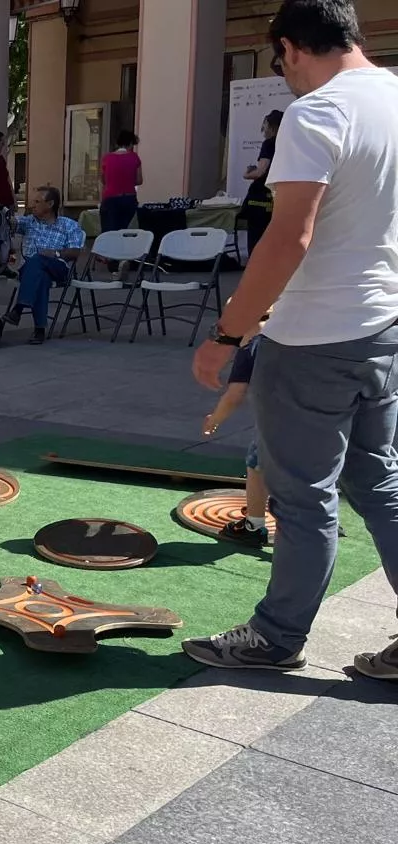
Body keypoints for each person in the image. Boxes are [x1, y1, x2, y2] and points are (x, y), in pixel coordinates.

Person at [186, 0, 398, 681]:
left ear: (291, 47)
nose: (287, 77)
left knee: (303, 497)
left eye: (281, 64)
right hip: (385, 328)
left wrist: (227, 335)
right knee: (382, 482)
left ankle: (276, 637)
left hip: (313, 338)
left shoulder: (318, 113)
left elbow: (288, 238)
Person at [202, 311, 274, 548]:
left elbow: (234, 395)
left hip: (276, 421)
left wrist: (215, 419)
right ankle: (327, 520)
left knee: (257, 465)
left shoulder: (251, 346)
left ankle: (254, 525)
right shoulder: (291, 341)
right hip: (319, 416)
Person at [0, 186, 85, 345]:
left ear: (50, 204)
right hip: (32, 270)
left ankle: (19, 309)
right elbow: (8, 221)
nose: (33, 205)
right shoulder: (29, 222)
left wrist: (56, 253)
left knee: (37, 261)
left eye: (37, 202)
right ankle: (39, 329)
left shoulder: (68, 225)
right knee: (41, 276)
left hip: (58, 266)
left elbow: (75, 252)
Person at [242, 111, 285, 256]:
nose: (263, 130)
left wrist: (248, 174)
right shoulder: (288, 144)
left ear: (272, 126)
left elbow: (261, 171)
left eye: (265, 125)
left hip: (260, 198)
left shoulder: (269, 144)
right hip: (279, 197)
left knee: (256, 240)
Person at [99, 131, 143, 233]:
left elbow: (103, 180)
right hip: (128, 198)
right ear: (131, 143)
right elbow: (139, 180)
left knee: (108, 232)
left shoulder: (107, 158)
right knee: (124, 232)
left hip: (110, 199)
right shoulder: (134, 157)